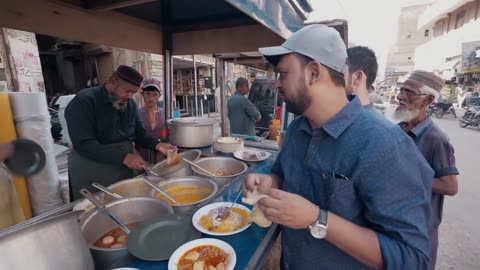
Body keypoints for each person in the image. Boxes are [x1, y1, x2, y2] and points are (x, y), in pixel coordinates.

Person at [243, 24, 433, 269]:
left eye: (283, 74)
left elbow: (412, 258)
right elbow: (281, 173)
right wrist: (270, 182)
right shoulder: (297, 129)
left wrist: (317, 218)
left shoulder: (386, 145)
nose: (277, 84)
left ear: (313, 72)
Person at [65, 65, 176, 200]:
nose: (130, 97)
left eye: (133, 93)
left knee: (121, 204)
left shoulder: (130, 104)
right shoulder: (84, 101)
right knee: (94, 208)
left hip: (120, 167)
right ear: (113, 82)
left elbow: (139, 133)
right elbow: (85, 144)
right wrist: (124, 157)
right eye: (127, 91)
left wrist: (158, 145)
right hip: (91, 168)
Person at [394, 70, 459, 270]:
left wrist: (408, 178)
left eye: (409, 92)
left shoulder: (436, 139)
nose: (400, 96)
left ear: (428, 100)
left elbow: (450, 186)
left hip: (420, 232)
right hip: (396, 224)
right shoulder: (399, 129)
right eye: (401, 90)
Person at [136, 78, 165, 164]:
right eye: (148, 94)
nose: (151, 98)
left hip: (161, 156)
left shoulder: (165, 114)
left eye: (155, 94)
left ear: (159, 95)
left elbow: (165, 137)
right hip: (141, 157)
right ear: (142, 94)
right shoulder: (136, 115)